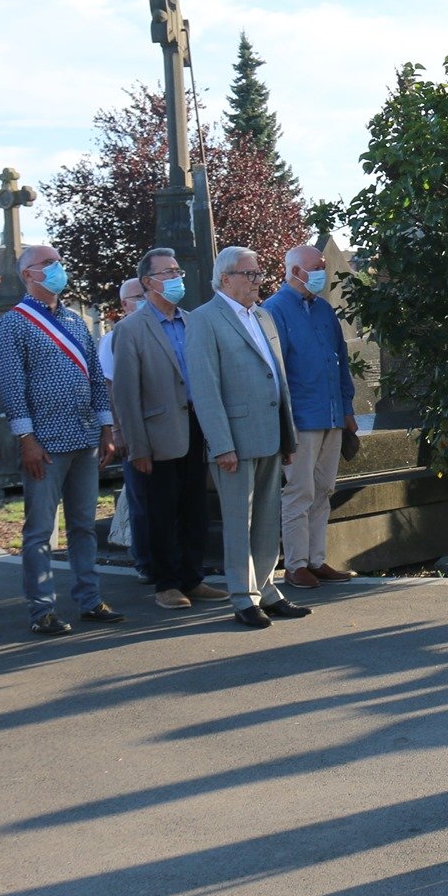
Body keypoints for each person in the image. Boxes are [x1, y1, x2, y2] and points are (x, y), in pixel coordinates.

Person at [0, 244, 126, 636]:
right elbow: (12, 387)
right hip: (45, 443)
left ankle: (90, 599)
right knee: (38, 531)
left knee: (83, 525)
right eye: (47, 264)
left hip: (85, 437)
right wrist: (26, 439)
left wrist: (106, 429)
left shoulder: (73, 320)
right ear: (28, 275)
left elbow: (95, 376)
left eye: (57, 262)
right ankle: (42, 609)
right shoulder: (14, 323)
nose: (56, 268)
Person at [185, 246, 309, 631]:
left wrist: (288, 437)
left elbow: (279, 378)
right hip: (234, 442)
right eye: (250, 274)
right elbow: (205, 389)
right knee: (240, 521)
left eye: (258, 274)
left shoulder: (263, 316)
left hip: (270, 435)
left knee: (267, 521)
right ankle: (243, 597)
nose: (258, 281)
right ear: (226, 278)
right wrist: (222, 445)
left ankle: (268, 590)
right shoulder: (205, 320)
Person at [111, 249, 224, 611]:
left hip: (196, 427)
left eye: (178, 270)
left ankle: (193, 577)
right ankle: (167, 583)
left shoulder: (192, 321)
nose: (177, 277)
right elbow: (126, 395)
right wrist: (136, 446)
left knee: (195, 509)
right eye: (168, 272)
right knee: (161, 511)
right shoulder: (130, 329)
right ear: (148, 282)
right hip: (157, 435)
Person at [264, 245, 360, 588]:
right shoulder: (274, 310)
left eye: (322, 265)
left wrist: (347, 409)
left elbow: (341, 361)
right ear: (293, 272)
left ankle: (317, 560)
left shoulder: (322, 309)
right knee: (299, 491)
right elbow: (277, 371)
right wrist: (284, 421)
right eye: (315, 267)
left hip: (331, 414)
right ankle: (295, 564)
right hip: (301, 418)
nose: (322, 271)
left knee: (324, 490)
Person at [98, 277, 152, 582]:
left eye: (146, 293)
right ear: (123, 305)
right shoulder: (115, 338)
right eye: (136, 296)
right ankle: (144, 561)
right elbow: (110, 388)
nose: (143, 299)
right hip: (134, 432)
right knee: (140, 500)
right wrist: (117, 432)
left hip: (164, 430)